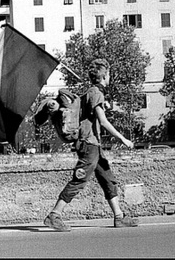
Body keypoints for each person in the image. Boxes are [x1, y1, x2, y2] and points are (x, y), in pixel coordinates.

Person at [41, 58, 138, 231]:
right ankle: (54, 215)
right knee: (79, 180)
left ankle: (119, 217)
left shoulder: (91, 92)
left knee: (108, 179)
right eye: (109, 74)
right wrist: (123, 138)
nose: (110, 77)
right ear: (104, 76)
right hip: (88, 144)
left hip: (94, 145)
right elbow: (103, 121)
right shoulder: (95, 93)